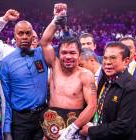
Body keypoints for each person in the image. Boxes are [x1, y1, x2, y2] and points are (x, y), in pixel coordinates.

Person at [40, 3, 97, 140]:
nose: (68, 56)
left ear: (79, 55)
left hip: (76, 123)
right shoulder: (55, 65)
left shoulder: (86, 75)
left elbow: (92, 105)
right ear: (58, 54)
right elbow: (45, 42)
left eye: (72, 53)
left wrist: (73, 128)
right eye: (64, 53)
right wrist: (56, 19)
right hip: (50, 122)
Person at [80, 42, 136, 140]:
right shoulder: (104, 79)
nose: (107, 62)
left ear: (126, 61)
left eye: (113, 58)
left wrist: (91, 131)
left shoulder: (131, 87)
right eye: (105, 58)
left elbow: (123, 127)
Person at [0, 20, 48, 140]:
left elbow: (63, 48)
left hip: (43, 116)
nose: (24, 37)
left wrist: (60, 19)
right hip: (21, 120)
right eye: (20, 33)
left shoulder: (43, 54)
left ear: (33, 36)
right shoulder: (6, 63)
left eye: (28, 33)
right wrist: (6, 129)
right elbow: (6, 99)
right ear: (15, 36)